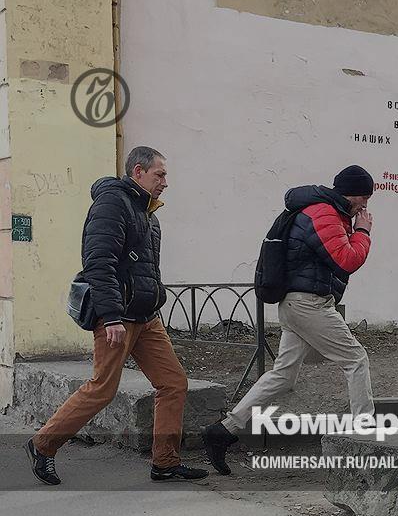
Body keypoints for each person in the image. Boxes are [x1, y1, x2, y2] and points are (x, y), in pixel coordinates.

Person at [25, 146, 208, 484]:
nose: (165, 182)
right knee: (102, 389)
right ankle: (42, 445)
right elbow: (98, 262)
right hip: (117, 317)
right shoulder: (113, 203)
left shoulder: (148, 213)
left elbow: (145, 268)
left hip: (146, 317)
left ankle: (165, 462)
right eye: (160, 174)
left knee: (173, 383)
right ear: (138, 171)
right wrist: (110, 316)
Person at [202, 165, 376, 475]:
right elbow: (347, 260)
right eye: (364, 198)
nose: (365, 205)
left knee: (284, 375)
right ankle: (367, 440)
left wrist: (353, 227)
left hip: (299, 303)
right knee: (356, 360)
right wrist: (362, 231)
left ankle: (224, 431)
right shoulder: (323, 213)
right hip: (308, 304)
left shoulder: (328, 212)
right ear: (351, 194)